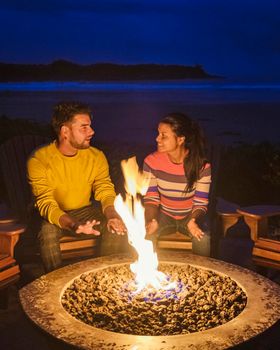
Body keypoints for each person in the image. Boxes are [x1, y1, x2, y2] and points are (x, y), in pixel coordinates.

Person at [27, 101, 126, 272]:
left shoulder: (96, 156)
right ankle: (55, 281)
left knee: (116, 225)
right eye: (84, 128)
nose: (92, 131)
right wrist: (74, 225)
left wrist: (112, 216)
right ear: (65, 131)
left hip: (84, 210)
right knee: (47, 231)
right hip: (54, 214)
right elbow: (46, 204)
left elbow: (105, 189)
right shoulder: (39, 160)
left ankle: (105, 274)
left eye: (90, 126)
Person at [143, 112, 211, 256]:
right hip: (163, 214)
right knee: (147, 234)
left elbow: (200, 203)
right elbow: (151, 198)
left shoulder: (201, 166)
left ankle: (200, 274)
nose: (157, 139)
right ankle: (149, 275)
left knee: (203, 238)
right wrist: (151, 220)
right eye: (158, 133)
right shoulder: (151, 161)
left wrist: (193, 220)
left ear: (180, 139)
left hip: (190, 215)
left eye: (164, 135)